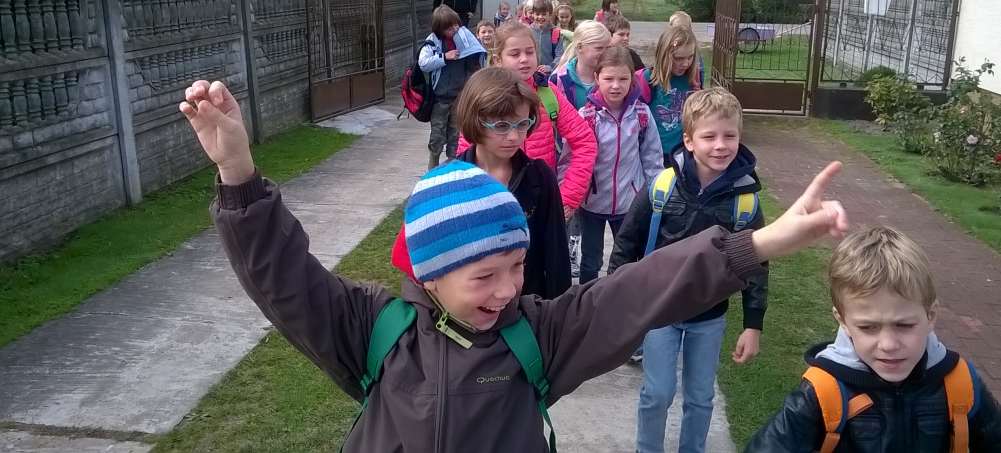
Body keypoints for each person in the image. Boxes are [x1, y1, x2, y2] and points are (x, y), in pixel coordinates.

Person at [181, 77, 851, 453]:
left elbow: (638, 289)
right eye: (484, 275)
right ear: (430, 271)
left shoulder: (539, 336)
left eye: (517, 266)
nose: (508, 290)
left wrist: (756, 244)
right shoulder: (374, 333)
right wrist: (237, 171)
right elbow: (285, 280)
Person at [745, 227, 1001, 453]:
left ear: (931, 316)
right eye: (868, 327)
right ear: (842, 320)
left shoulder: (959, 384)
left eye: (904, 325)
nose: (888, 344)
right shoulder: (824, 391)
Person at [608, 88, 769, 453]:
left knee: (700, 396)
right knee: (657, 392)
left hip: (709, 316)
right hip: (661, 311)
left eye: (729, 136)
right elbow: (627, 244)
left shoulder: (745, 202)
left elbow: (757, 265)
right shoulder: (661, 187)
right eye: (709, 136)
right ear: (689, 141)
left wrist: (753, 325)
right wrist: (617, 302)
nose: (720, 146)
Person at [457, 21, 596, 223]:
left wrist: (568, 197)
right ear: (498, 59)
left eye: (530, 52)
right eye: (515, 54)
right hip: (490, 204)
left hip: (539, 202)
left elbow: (585, 141)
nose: (524, 59)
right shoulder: (483, 96)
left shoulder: (548, 95)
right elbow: (466, 153)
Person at [452, 67, 571, 299]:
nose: (514, 137)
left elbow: (556, 255)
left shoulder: (540, 178)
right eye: (501, 126)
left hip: (527, 306)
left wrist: (559, 311)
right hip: (469, 307)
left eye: (522, 124)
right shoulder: (450, 182)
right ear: (474, 121)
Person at [568, 46, 662, 284]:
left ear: (632, 79)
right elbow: (571, 159)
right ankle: (588, 300)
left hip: (630, 203)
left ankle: (621, 299)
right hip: (592, 203)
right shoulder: (586, 116)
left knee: (626, 259)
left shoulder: (641, 114)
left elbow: (652, 157)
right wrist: (570, 196)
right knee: (591, 260)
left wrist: (655, 195)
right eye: (608, 79)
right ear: (597, 77)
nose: (615, 86)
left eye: (623, 79)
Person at [419, 5, 486, 169]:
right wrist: (444, 57)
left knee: (456, 134)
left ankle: (452, 165)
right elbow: (423, 63)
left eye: (456, 25)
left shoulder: (464, 39)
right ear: (440, 29)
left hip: (459, 98)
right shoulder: (433, 42)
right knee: (437, 134)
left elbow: (472, 65)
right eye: (450, 28)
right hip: (439, 99)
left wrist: (476, 57)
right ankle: (433, 164)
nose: (455, 29)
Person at [637, 25, 702, 167]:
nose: (685, 63)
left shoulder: (693, 78)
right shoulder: (649, 79)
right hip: (656, 152)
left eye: (690, 57)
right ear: (664, 55)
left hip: (686, 150)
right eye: (678, 58)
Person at [549, 20, 611, 111]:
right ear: (580, 47)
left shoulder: (612, 78)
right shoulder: (559, 80)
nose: (605, 53)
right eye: (599, 48)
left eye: (608, 48)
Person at [667, 9, 705, 88]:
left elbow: (700, 71)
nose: (681, 32)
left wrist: (699, 86)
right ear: (670, 28)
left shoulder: (693, 50)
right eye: (677, 28)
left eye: (685, 28)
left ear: (690, 29)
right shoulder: (666, 46)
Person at [530, 0, 566, 69]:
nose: (540, 17)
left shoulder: (555, 32)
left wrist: (550, 67)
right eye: (537, 14)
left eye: (544, 14)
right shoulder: (528, 31)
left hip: (548, 72)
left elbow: (560, 55)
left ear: (550, 14)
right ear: (533, 14)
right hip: (531, 70)